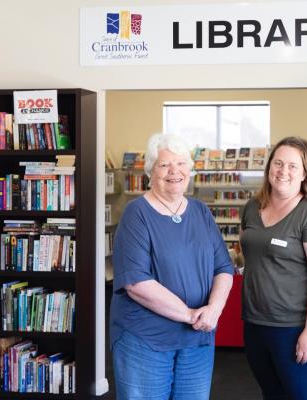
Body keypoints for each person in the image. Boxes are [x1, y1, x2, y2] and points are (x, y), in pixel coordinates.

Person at [110, 133, 234, 400]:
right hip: (147, 338)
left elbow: (223, 267)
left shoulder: (201, 212)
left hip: (198, 339)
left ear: (190, 170)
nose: (174, 171)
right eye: (165, 165)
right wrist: (191, 315)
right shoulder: (137, 214)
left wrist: (213, 309)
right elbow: (136, 282)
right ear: (150, 172)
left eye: (181, 164)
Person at [240, 136, 307, 400]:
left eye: (293, 166)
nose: (283, 171)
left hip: (294, 327)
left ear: (305, 173)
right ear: (269, 166)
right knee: (271, 394)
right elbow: (250, 253)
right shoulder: (251, 208)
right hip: (255, 323)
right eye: (278, 163)